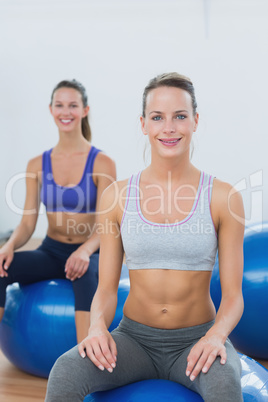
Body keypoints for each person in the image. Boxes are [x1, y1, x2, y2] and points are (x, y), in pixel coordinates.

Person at [45, 73, 244, 402]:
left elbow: (234, 297)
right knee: (65, 371)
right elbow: (106, 289)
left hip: (197, 341)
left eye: (179, 116)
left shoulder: (223, 197)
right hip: (133, 340)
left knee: (225, 386)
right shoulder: (116, 197)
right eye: (157, 117)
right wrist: (97, 327)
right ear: (143, 124)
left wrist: (216, 336)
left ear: (195, 121)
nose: (169, 128)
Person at [0, 79, 116, 343]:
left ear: (85, 110)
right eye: (60, 105)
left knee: (84, 274)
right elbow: (28, 223)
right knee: (1, 269)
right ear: (51, 110)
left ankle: (86, 364)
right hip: (51, 251)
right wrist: (8, 247)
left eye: (73, 105)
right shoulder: (36, 165)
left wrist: (85, 251)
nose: (66, 112)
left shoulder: (102, 162)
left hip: (93, 252)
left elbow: (108, 224)